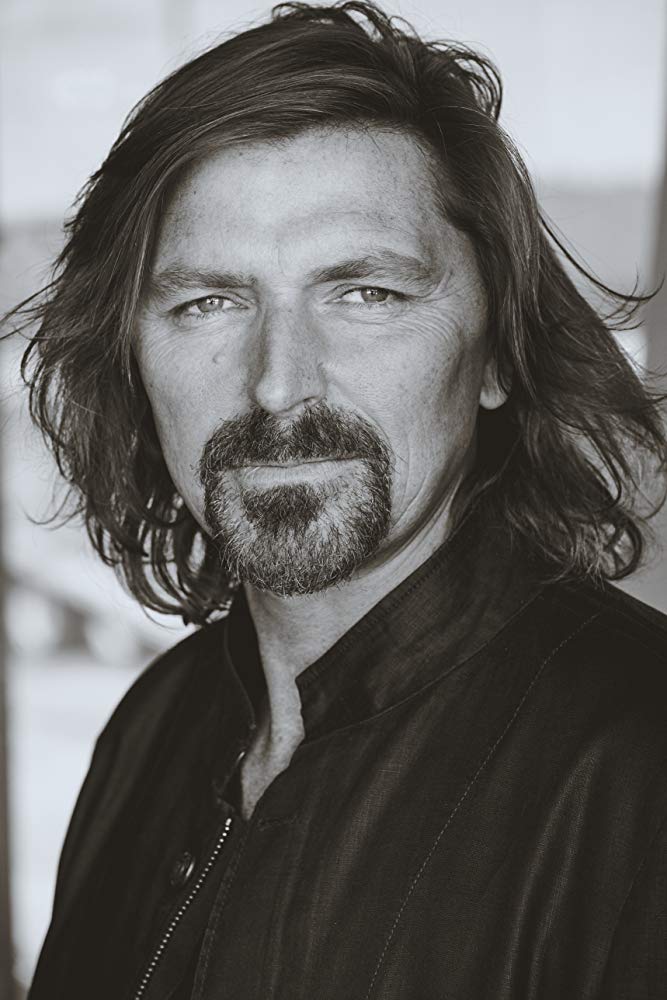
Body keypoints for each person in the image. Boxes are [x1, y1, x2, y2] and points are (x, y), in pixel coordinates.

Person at [8, 2, 667, 997]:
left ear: (496, 351)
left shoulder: (639, 762)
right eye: (208, 303)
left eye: (367, 295)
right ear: (133, 362)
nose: (278, 385)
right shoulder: (151, 726)